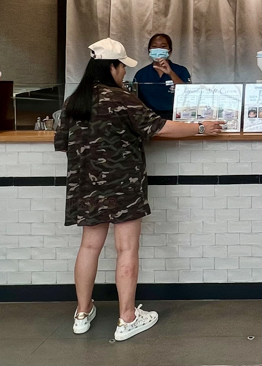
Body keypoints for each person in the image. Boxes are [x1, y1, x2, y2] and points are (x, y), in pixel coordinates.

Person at [55, 38, 221, 342]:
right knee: (126, 248)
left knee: (89, 246)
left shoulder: (73, 101)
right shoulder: (121, 98)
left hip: (84, 183)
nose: (123, 74)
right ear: (113, 67)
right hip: (123, 184)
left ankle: (81, 313)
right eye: (121, 67)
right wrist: (201, 127)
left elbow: (61, 143)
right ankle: (127, 317)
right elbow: (160, 127)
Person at [134, 33, 191, 119]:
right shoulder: (141, 74)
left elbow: (188, 94)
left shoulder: (181, 71)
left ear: (170, 51)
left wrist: (171, 73)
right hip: (149, 119)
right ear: (149, 50)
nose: (158, 49)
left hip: (175, 117)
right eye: (154, 46)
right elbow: (136, 101)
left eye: (163, 47)